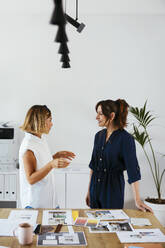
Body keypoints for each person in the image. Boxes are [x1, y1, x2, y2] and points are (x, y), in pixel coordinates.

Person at [86, 99, 153, 212]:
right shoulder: (98, 136)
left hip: (112, 190)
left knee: (111, 224)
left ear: (111, 116)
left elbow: (133, 170)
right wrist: (89, 191)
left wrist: (137, 199)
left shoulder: (126, 139)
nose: (96, 117)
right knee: (94, 225)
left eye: (100, 114)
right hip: (95, 189)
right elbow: (93, 165)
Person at [19, 105, 75, 208]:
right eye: (49, 120)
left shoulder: (40, 139)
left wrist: (54, 157)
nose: (51, 124)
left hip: (50, 202)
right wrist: (51, 164)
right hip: (35, 205)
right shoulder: (28, 146)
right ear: (39, 121)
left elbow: (40, 163)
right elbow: (31, 179)